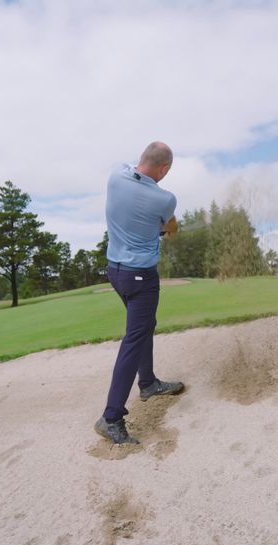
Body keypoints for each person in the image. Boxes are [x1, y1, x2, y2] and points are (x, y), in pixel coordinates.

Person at [94, 141, 185, 445]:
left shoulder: (115, 176)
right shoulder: (165, 199)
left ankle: (148, 383)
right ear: (165, 168)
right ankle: (111, 418)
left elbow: (144, 219)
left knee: (144, 327)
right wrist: (171, 229)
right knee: (134, 339)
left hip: (115, 271)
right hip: (141, 277)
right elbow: (169, 228)